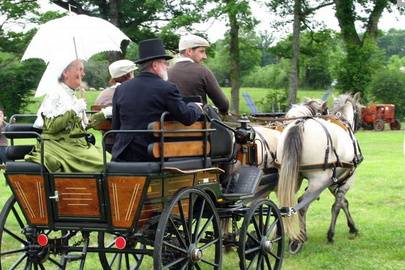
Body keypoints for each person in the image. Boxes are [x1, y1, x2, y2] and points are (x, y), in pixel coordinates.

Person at [112, 38, 203, 162]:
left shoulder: (121, 89)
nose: (167, 66)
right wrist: (195, 106)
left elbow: (116, 126)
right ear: (155, 65)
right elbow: (186, 117)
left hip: (122, 154)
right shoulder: (166, 88)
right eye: (164, 63)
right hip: (151, 153)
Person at [25, 59, 108, 172]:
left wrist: (103, 115)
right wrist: (74, 110)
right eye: (80, 69)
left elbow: (76, 128)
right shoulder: (55, 93)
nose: (83, 74)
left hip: (76, 145)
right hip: (59, 146)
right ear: (65, 72)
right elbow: (51, 127)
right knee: (103, 163)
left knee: (109, 158)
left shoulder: (72, 95)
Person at [168, 34, 229, 114]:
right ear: (189, 51)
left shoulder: (167, 72)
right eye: (201, 51)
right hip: (198, 124)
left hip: (167, 123)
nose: (205, 56)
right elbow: (223, 105)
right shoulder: (202, 71)